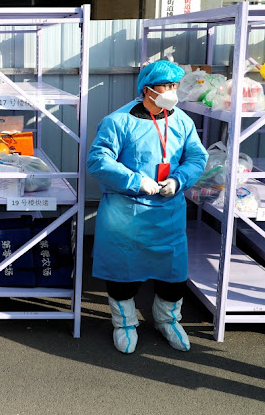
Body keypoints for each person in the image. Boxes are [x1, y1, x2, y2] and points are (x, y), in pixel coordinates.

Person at [87, 60, 208, 354]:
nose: (172, 92)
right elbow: (98, 160)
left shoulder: (181, 121)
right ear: (148, 90)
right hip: (126, 212)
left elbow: (197, 158)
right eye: (167, 86)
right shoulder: (119, 122)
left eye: (175, 86)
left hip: (168, 211)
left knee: (173, 275)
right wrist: (135, 181)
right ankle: (125, 324)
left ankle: (168, 321)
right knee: (122, 276)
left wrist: (179, 181)